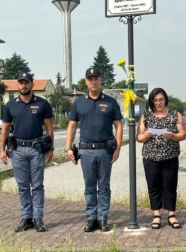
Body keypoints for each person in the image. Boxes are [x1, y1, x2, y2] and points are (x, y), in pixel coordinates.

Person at [66, 67, 123, 232]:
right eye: (90, 78)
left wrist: (118, 148)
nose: (93, 81)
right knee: (89, 187)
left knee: (104, 186)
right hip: (86, 151)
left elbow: (118, 125)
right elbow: (71, 126)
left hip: (105, 150)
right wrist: (68, 147)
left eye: (96, 78)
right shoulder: (79, 102)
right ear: (86, 81)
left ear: (101, 80)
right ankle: (92, 218)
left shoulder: (111, 101)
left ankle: (103, 218)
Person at [0, 72, 54, 232]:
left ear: (32, 84)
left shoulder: (43, 104)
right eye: (21, 82)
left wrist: (50, 149)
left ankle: (38, 219)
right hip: (17, 150)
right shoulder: (11, 105)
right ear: (18, 85)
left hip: (37, 149)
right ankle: (26, 218)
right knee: (23, 186)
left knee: (37, 186)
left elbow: (49, 129)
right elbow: (5, 129)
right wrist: (2, 149)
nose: (24, 85)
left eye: (27, 82)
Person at [136, 88, 186, 229]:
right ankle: (156, 215)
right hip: (151, 157)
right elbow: (138, 138)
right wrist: (145, 136)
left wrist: (172, 136)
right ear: (151, 101)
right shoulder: (145, 116)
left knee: (170, 186)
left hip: (170, 157)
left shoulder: (176, 115)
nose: (158, 102)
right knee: (154, 186)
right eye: (155, 100)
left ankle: (171, 214)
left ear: (165, 100)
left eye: (161, 99)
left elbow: (183, 134)